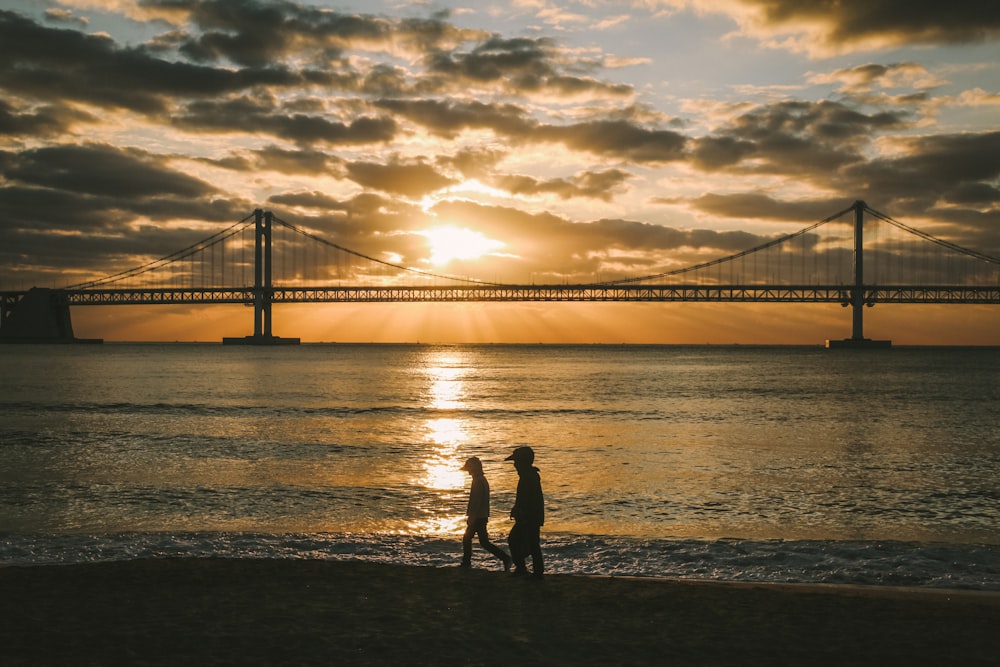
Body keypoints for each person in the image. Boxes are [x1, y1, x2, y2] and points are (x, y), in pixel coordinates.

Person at [459, 456, 512, 571]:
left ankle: (466, 562)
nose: (468, 472)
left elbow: (476, 501)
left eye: (469, 469)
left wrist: (472, 517)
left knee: (467, 539)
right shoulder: (481, 479)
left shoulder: (478, 481)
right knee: (484, 542)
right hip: (482, 515)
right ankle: (505, 558)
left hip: (478, 516)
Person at [505, 446, 544, 578]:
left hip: (529, 518)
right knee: (531, 543)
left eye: (516, 462)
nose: (514, 465)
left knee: (517, 540)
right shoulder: (529, 476)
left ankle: (525, 569)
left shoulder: (528, 477)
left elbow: (530, 500)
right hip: (531, 517)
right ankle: (533, 571)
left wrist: (523, 515)